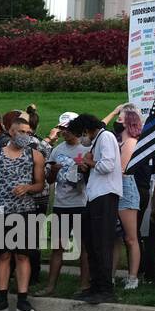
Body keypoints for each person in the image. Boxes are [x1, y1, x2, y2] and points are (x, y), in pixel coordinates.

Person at [0, 113, 46, 311]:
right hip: (1, 211)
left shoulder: (35, 155)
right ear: (11, 131)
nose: (26, 136)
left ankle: (22, 298)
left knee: (22, 255)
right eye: (22, 132)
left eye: (28, 133)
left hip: (25, 211)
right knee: (3, 255)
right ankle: (1, 298)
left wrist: (28, 188)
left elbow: (40, 185)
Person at [68, 114, 122, 304]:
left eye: (81, 134)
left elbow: (108, 165)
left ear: (86, 129)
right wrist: (87, 166)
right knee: (92, 243)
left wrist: (89, 162)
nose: (82, 138)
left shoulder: (105, 137)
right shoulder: (97, 140)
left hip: (105, 195)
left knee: (101, 244)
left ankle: (106, 288)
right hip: (95, 195)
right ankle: (95, 285)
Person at [45, 112, 89, 297]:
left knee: (84, 248)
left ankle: (84, 286)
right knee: (58, 246)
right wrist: (54, 171)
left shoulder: (86, 149)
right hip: (61, 203)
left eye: (68, 129)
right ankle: (50, 286)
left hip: (81, 203)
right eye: (62, 129)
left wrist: (83, 170)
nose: (64, 132)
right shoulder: (57, 150)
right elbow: (49, 179)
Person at [110, 103, 145, 290]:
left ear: (128, 120)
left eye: (120, 115)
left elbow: (121, 168)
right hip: (114, 187)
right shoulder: (116, 139)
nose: (117, 118)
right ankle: (111, 275)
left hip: (126, 188)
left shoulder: (131, 142)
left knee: (130, 238)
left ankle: (133, 277)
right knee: (114, 237)